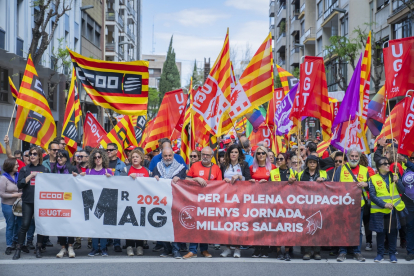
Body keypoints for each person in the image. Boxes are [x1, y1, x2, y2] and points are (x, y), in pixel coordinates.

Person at [332, 146, 368, 262]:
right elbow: (335, 186)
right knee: (344, 228)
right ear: (347, 157)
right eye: (351, 156)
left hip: (359, 205)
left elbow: (372, 186)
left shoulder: (365, 170)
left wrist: (366, 184)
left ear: (359, 157)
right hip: (344, 205)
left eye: (356, 156)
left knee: (357, 229)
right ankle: (342, 251)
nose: (354, 158)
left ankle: (356, 251)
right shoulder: (341, 169)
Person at [184, 146, 222, 259]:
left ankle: (204, 250)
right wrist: (196, 179)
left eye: (207, 155)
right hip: (194, 201)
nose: (205, 157)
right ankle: (192, 250)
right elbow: (186, 180)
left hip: (209, 202)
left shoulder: (216, 169)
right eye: (203, 154)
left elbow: (220, 186)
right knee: (194, 226)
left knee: (205, 227)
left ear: (211, 156)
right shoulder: (195, 165)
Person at [13, 147, 50, 260]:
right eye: (30, 154)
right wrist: (30, 176)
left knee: (40, 226)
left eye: (34, 154)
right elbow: (19, 185)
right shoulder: (24, 169)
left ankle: (38, 248)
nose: (32, 156)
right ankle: (18, 249)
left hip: (41, 202)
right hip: (28, 201)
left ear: (39, 156)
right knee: (24, 225)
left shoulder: (45, 169)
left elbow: (51, 185)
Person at [369, 156, 406, 263]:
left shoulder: (394, 176)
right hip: (379, 210)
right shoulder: (373, 178)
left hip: (392, 211)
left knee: (393, 233)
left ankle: (392, 254)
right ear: (379, 167)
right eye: (384, 164)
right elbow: (372, 195)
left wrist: (397, 181)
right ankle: (380, 254)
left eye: (387, 163)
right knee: (380, 233)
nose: (387, 165)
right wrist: (384, 204)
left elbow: (402, 190)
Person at [153, 147, 187, 259]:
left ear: (173, 156)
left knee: (175, 226)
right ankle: (166, 249)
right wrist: (154, 177)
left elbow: (184, 181)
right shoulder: (157, 167)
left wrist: (180, 178)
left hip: (175, 201)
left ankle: (176, 250)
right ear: (162, 157)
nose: (168, 158)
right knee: (162, 225)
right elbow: (151, 179)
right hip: (161, 201)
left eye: (170, 155)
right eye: (165, 156)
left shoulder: (181, 168)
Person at [219, 144, 251, 258]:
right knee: (227, 222)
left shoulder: (244, 164)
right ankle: (227, 248)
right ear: (228, 154)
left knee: (238, 223)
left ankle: (237, 248)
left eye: (236, 152)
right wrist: (224, 180)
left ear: (239, 154)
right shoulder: (223, 165)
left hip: (240, 198)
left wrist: (239, 176)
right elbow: (218, 180)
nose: (233, 154)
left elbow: (248, 179)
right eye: (232, 152)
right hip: (226, 198)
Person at [81, 149, 113, 257]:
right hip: (92, 201)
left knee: (103, 226)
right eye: (95, 157)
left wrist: (111, 179)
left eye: (99, 157)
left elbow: (114, 185)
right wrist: (80, 176)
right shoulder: (89, 171)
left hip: (104, 201)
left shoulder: (108, 171)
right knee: (94, 226)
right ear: (92, 159)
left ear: (103, 158)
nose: (97, 159)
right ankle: (95, 248)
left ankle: (103, 248)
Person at [295, 155, 327, 260]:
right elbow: (295, 187)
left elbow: (330, 185)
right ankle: (307, 251)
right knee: (306, 228)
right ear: (307, 163)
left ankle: (317, 251)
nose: (312, 164)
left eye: (314, 162)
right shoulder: (300, 174)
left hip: (318, 204)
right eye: (310, 162)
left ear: (317, 164)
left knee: (317, 228)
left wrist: (323, 180)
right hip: (305, 205)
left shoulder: (323, 173)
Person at [120, 149, 150, 256]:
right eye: (133, 157)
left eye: (137, 157)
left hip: (142, 202)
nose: (135, 158)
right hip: (129, 201)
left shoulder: (147, 171)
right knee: (130, 224)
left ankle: (140, 246)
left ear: (141, 159)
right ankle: (129, 246)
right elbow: (119, 183)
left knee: (140, 224)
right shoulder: (126, 169)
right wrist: (128, 178)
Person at [249, 146, 276, 258]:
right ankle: (256, 248)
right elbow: (246, 182)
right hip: (255, 200)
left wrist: (268, 181)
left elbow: (276, 182)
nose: (260, 155)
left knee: (266, 224)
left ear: (266, 155)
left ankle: (265, 248)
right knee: (255, 224)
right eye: (258, 153)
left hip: (268, 199)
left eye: (263, 153)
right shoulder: (251, 168)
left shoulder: (272, 167)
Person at [270, 152, 297, 261]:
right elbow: (269, 187)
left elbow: (299, 188)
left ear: (287, 160)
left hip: (289, 205)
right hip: (276, 204)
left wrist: (293, 182)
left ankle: (287, 251)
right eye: (278, 159)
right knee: (277, 228)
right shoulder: (273, 172)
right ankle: (278, 252)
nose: (279, 161)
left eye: (281, 159)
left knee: (288, 229)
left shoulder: (293, 172)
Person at [52, 150, 78, 258]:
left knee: (70, 223)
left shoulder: (72, 169)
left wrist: (77, 177)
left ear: (66, 158)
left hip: (70, 200)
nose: (59, 159)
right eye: (58, 157)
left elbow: (80, 182)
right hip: (58, 201)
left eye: (62, 157)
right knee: (60, 224)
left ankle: (70, 246)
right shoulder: (53, 170)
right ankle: (63, 247)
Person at [105, 143, 126, 252]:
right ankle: (107, 240)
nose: (108, 151)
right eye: (107, 150)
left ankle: (116, 243)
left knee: (117, 219)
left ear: (116, 151)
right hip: (105, 193)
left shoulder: (122, 165)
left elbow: (123, 180)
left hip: (117, 194)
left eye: (110, 150)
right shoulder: (103, 163)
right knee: (106, 218)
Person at [1, 158, 22, 255]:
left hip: (18, 205)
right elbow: (2, 194)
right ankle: (9, 245)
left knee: (19, 224)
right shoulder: (3, 178)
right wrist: (15, 195)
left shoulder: (19, 176)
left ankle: (17, 243)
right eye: (16, 165)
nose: (18, 166)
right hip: (7, 205)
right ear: (10, 166)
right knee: (10, 225)